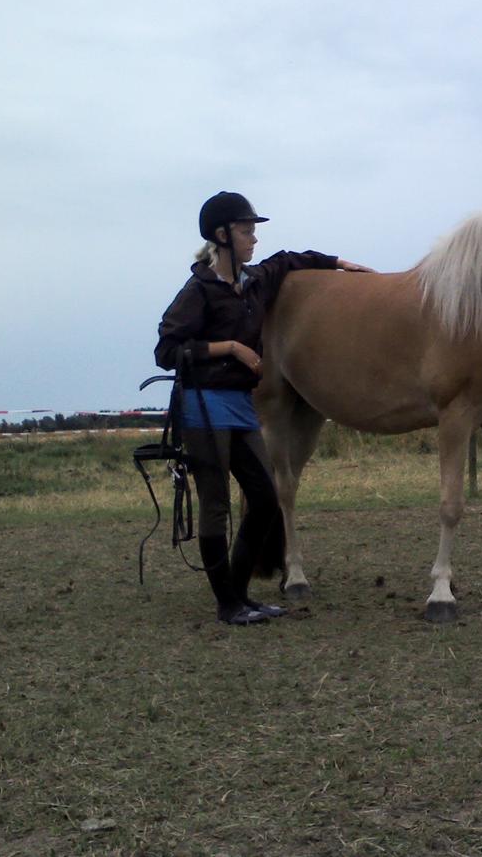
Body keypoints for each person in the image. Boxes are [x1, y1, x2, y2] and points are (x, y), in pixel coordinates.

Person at [155, 191, 374, 625]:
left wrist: (338, 263)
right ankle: (227, 604)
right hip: (203, 408)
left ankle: (240, 595)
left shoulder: (255, 281)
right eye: (246, 231)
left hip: (240, 407)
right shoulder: (198, 291)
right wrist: (231, 348)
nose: (254, 239)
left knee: (266, 498)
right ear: (222, 236)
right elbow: (166, 350)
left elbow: (291, 259)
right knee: (216, 505)